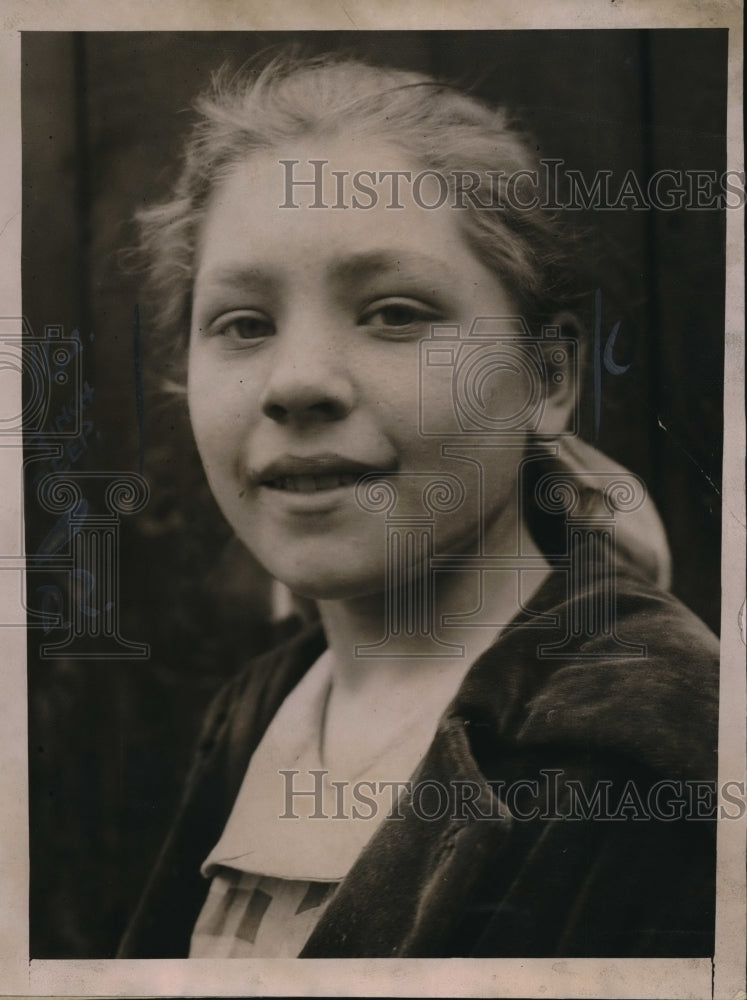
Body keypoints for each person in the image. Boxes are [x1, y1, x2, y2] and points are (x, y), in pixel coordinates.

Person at [117, 51, 719, 959]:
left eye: (394, 313)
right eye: (243, 324)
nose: (298, 383)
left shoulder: (656, 756)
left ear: (546, 378)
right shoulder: (259, 709)